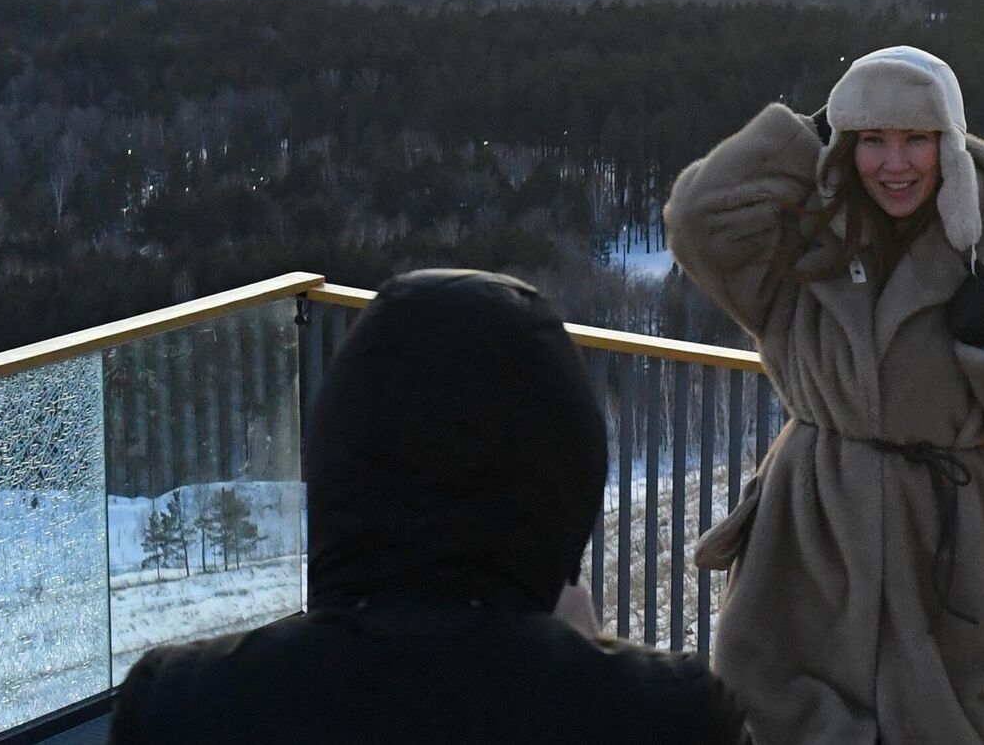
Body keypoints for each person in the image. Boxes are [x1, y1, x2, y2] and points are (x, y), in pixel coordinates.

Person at [664, 46, 984, 745]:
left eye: (915, 140)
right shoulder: (803, 240)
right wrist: (802, 137)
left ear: (949, 146)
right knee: (783, 721)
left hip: (954, 553)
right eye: (872, 140)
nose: (894, 164)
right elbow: (697, 218)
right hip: (810, 536)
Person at [108, 268, 753, 745]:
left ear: (338, 451)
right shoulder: (672, 720)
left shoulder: (178, 709)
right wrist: (577, 655)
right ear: (566, 469)